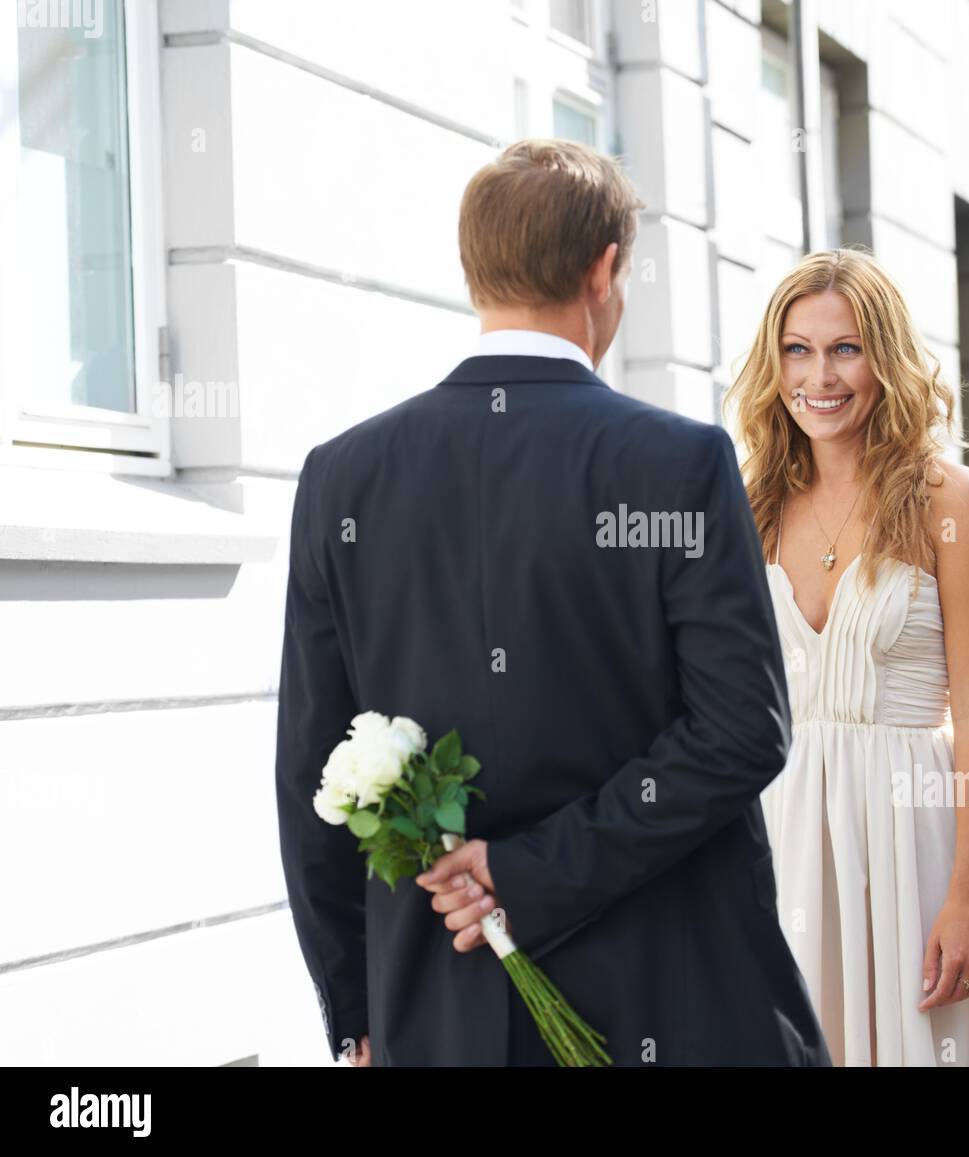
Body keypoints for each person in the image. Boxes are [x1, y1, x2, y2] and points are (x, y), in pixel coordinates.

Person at [274, 138, 832, 1067]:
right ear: (604, 268)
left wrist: (357, 1009)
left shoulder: (343, 479)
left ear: (471, 269)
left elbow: (312, 773)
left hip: (432, 1003)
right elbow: (742, 730)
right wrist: (526, 874)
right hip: (669, 990)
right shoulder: (678, 463)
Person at [723, 247, 969, 1066]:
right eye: (798, 349)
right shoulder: (752, 503)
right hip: (780, 836)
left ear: (885, 358)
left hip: (912, 838)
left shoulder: (949, 501)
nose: (820, 374)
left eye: (845, 348)